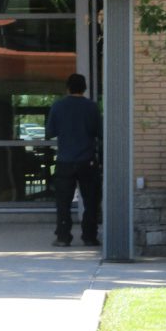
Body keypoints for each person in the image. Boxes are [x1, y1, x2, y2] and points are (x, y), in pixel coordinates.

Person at [46, 73, 103, 247]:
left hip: (65, 160)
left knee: (63, 202)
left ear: (68, 88)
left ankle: (63, 237)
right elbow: (100, 132)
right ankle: (89, 236)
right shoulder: (92, 107)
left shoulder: (58, 106)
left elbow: (50, 132)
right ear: (84, 88)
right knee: (91, 201)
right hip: (87, 160)